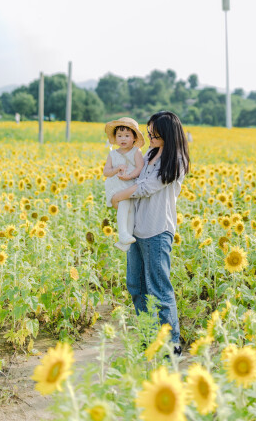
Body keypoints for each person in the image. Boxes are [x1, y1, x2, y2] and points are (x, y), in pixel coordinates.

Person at [111, 110, 190, 354]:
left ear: (168, 133)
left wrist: (118, 196)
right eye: (149, 133)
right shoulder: (151, 153)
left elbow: (147, 187)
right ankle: (148, 335)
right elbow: (135, 173)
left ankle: (171, 342)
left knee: (158, 287)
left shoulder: (176, 160)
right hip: (137, 229)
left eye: (155, 134)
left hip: (157, 230)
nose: (150, 137)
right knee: (136, 285)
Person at [103, 117, 145, 251]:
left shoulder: (136, 152)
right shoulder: (112, 154)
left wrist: (129, 176)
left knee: (130, 209)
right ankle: (122, 234)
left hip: (130, 183)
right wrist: (117, 169)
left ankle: (125, 241)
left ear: (134, 138)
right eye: (119, 135)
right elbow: (106, 172)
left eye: (127, 135)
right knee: (125, 204)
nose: (123, 139)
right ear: (115, 138)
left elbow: (140, 168)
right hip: (116, 185)